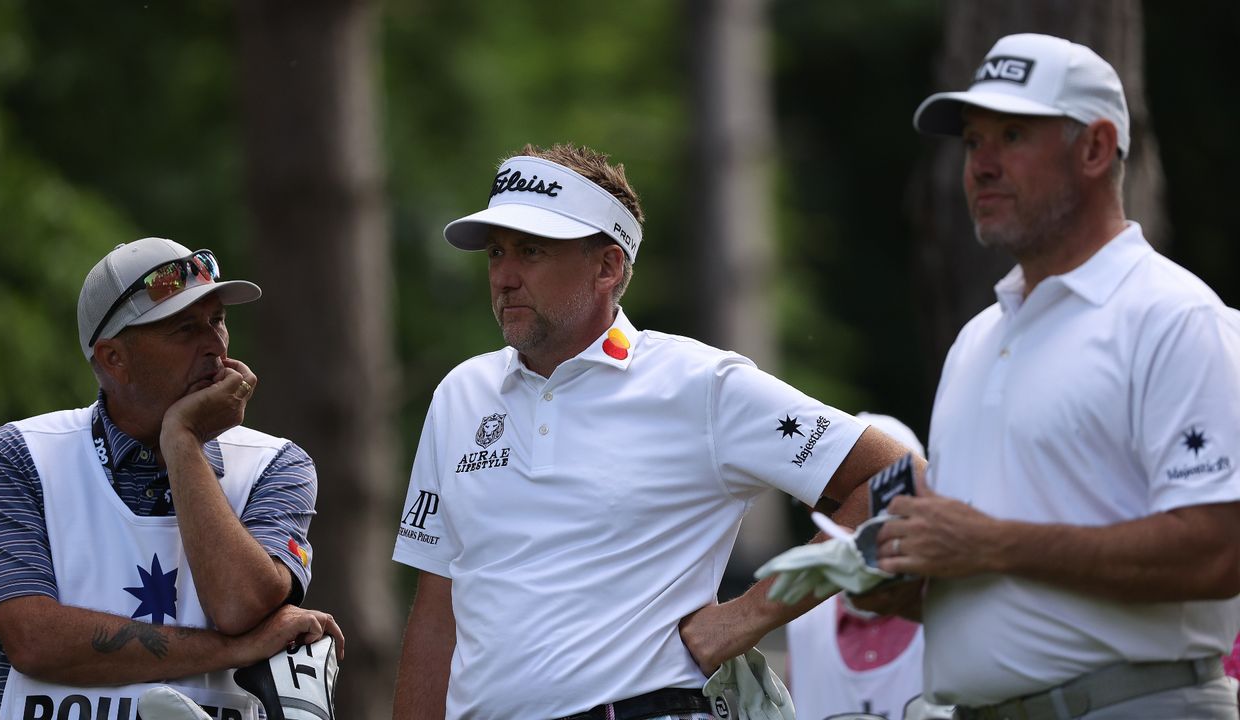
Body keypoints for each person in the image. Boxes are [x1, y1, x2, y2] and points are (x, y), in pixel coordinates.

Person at [391, 143, 917, 719]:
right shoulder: (459, 395)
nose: (505, 277)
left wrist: (751, 616)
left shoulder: (699, 384)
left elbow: (896, 479)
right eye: (496, 252)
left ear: (608, 267)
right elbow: (437, 610)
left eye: (531, 251)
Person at [865, 33, 1240, 718]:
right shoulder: (980, 338)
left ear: (1096, 149)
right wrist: (912, 585)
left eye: (1012, 135)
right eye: (973, 142)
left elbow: (1218, 552)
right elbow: (1003, 573)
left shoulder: (1176, 319)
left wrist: (990, 542)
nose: (981, 165)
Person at [0, 237, 343, 720]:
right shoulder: (15, 456)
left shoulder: (276, 463)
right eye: (184, 329)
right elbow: (34, 640)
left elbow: (239, 606)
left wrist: (182, 441)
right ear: (113, 358)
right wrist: (232, 649)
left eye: (217, 321)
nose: (214, 346)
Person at [784, 414, 951, 720]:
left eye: (863, 503)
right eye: (828, 507)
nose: (846, 521)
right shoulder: (802, 620)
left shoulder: (959, 605)